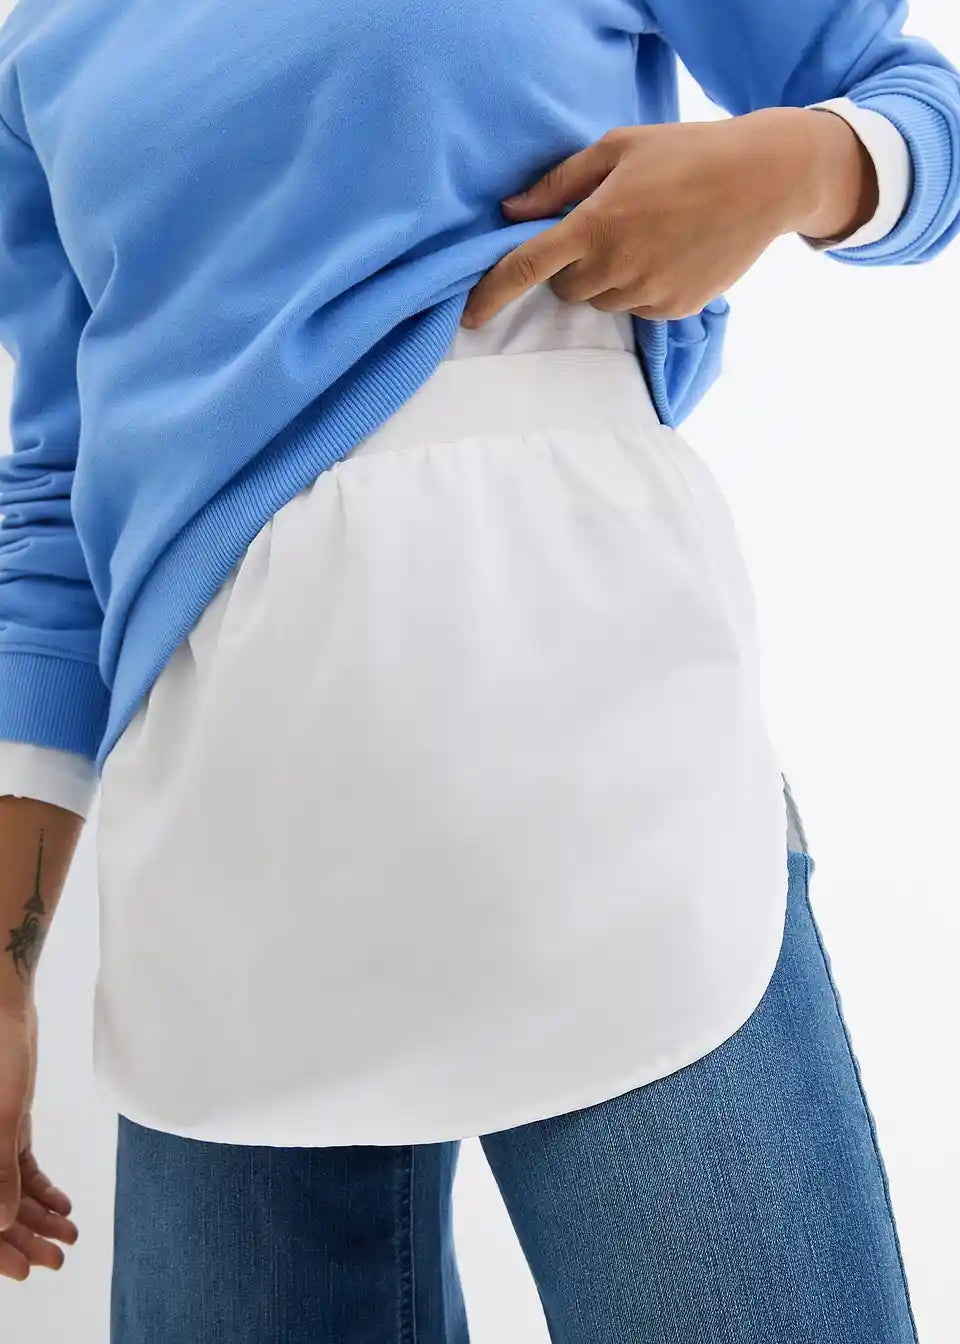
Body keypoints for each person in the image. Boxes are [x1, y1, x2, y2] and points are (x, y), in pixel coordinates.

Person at [0, 0, 957, 1338]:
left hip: (598, 769)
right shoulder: (41, 39)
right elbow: (59, 498)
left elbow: (916, 108)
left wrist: (793, 164)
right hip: (231, 873)